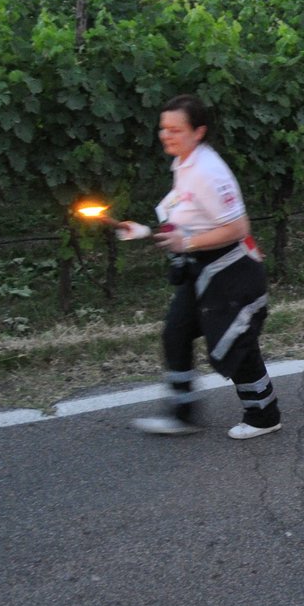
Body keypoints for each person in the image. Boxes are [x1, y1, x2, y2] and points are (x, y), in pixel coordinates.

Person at [125, 95, 282, 439]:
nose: (166, 135)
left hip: (229, 270)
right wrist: (146, 231)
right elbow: (189, 218)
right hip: (202, 268)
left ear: (198, 132)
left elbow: (239, 228)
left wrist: (188, 243)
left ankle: (263, 414)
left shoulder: (208, 172)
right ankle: (182, 413)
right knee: (176, 332)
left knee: (233, 341)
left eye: (175, 130)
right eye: (163, 129)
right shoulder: (184, 163)